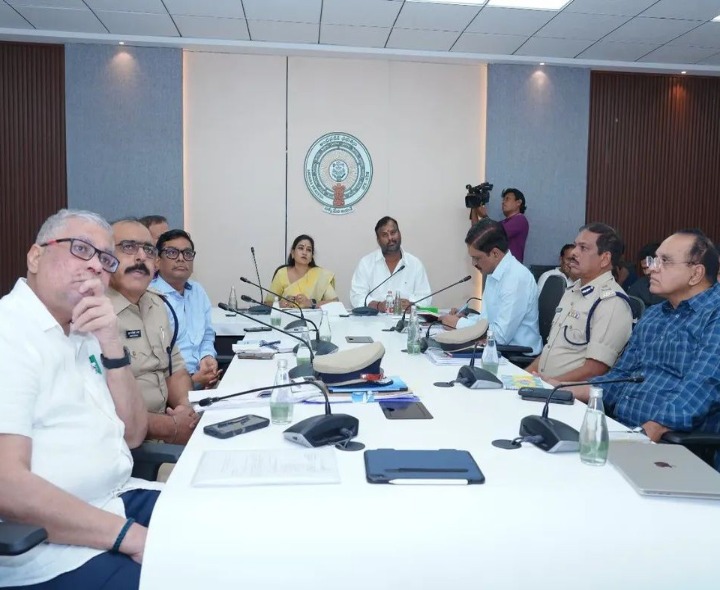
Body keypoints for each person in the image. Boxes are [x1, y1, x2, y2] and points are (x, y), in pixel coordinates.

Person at [0, 209, 159, 589]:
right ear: (35, 256)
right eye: (81, 249)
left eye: (105, 259)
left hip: (115, 499)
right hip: (49, 548)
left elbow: (134, 434)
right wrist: (131, 537)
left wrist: (111, 343)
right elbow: (7, 484)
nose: (95, 267)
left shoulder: (84, 330)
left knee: (231, 528)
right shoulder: (11, 332)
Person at [567, 230, 720, 461]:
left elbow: (702, 386)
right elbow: (620, 377)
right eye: (653, 259)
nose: (651, 268)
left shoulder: (714, 315)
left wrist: (650, 430)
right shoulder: (655, 314)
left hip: (673, 449)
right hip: (622, 431)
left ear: (696, 273)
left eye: (664, 261)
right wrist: (561, 389)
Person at [107, 219, 199, 444]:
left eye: (148, 250)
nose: (141, 257)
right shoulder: (93, 316)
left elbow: (175, 369)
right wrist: (171, 427)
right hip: (126, 446)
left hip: (168, 431)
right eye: (128, 247)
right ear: (105, 257)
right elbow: (102, 410)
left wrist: (186, 408)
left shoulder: (158, 305)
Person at [526, 223, 634, 381]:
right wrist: (521, 377)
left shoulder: (611, 302)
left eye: (583, 248)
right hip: (544, 385)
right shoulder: (572, 290)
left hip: (567, 392)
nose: (574, 253)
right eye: (575, 245)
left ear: (604, 259)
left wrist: (550, 385)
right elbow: (551, 351)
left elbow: (596, 370)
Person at [440, 219, 542, 354]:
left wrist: (458, 324)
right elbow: (486, 321)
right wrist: (463, 319)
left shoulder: (517, 278)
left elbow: (500, 336)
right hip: (496, 351)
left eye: (477, 258)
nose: (473, 263)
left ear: (495, 253)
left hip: (516, 356)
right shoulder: (494, 272)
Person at [150, 229, 219, 390]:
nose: (181, 258)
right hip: (170, 391)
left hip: (202, 381)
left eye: (187, 253)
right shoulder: (150, 297)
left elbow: (207, 335)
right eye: (172, 253)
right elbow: (153, 363)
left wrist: (207, 357)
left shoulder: (197, 291)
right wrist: (192, 380)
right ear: (157, 261)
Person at [350, 216, 432, 311]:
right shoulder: (366, 264)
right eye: (385, 235)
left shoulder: (415, 264)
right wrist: (378, 305)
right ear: (378, 240)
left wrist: (412, 305)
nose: (390, 238)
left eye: (393, 233)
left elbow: (426, 298)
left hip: (405, 318)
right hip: (375, 319)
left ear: (399, 234)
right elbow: (356, 296)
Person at [265, 234, 339, 309]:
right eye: (301, 248)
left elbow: (335, 302)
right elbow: (266, 304)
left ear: (311, 257)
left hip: (313, 316)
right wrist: (279, 304)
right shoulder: (282, 274)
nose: (304, 252)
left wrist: (310, 303)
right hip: (286, 316)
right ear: (293, 253)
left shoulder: (320, 275)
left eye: (308, 250)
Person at [627, 242, 665, 307]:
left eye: (650, 266)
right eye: (644, 268)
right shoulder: (638, 287)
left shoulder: (675, 287)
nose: (647, 272)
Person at [500, 188, 529, 263]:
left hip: (511, 268)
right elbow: (478, 234)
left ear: (518, 202)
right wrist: (474, 208)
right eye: (503, 200)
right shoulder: (503, 222)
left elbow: (493, 235)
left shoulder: (520, 220)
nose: (503, 202)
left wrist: (484, 217)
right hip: (503, 267)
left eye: (507, 199)